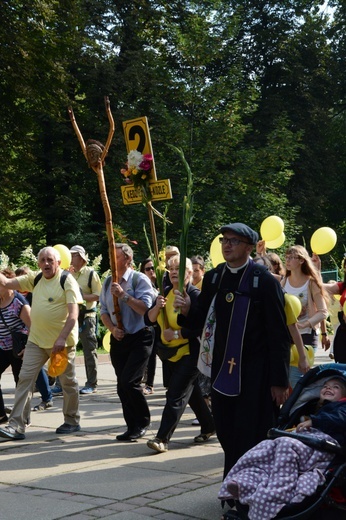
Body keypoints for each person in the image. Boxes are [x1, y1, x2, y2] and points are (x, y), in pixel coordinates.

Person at [174, 222, 291, 478]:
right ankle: (232, 487)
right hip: (222, 372)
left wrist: (279, 381)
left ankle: (254, 488)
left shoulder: (264, 282)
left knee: (253, 433)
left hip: (256, 373)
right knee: (227, 431)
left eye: (233, 241)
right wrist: (186, 310)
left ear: (249, 247)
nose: (226, 245)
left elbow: (278, 334)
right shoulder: (215, 277)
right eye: (223, 240)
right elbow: (200, 320)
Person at [218, 375, 346, 520]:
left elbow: (341, 419)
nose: (328, 388)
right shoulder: (318, 407)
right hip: (307, 444)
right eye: (325, 386)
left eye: (336, 387)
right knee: (266, 446)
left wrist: (314, 422)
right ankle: (244, 482)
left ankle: (278, 494)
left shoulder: (342, 407)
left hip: (325, 448)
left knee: (286, 444)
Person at [0, 246, 82, 440]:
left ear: (58, 262)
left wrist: (61, 338)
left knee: (67, 382)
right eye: (43, 260)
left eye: (50, 260)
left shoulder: (66, 280)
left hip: (62, 343)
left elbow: (73, 315)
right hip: (36, 341)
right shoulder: (35, 278)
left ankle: (71, 420)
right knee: (25, 380)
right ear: (38, 263)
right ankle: (16, 426)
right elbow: (6, 282)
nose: (46, 263)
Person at [145, 255, 215, 453]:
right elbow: (148, 320)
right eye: (171, 268)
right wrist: (157, 307)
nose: (174, 272)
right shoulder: (165, 292)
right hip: (169, 354)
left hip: (190, 353)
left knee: (175, 394)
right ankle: (210, 425)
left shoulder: (195, 295)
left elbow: (202, 327)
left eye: (179, 268)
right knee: (191, 393)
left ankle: (162, 438)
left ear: (190, 273)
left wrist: (177, 330)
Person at [99, 243, 156, 442]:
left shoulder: (139, 279)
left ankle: (143, 421)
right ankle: (131, 426)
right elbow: (104, 312)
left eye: (115, 256)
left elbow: (145, 309)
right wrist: (113, 329)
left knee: (129, 381)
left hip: (140, 336)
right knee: (121, 385)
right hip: (119, 339)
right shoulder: (107, 282)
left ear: (128, 259)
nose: (111, 260)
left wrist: (123, 296)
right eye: (110, 255)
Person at [14, 266, 54, 412]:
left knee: (36, 370)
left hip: (34, 336)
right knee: (24, 374)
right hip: (18, 339)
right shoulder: (16, 295)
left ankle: (47, 398)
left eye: (26, 276)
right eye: (21, 278)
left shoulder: (32, 295)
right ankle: (21, 408)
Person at [69, 245, 102, 395]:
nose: (70, 257)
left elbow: (98, 295)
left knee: (89, 351)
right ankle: (62, 383)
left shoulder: (90, 274)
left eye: (73, 255)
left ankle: (92, 384)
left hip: (87, 317)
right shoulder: (68, 273)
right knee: (65, 349)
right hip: (70, 316)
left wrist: (80, 298)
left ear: (81, 258)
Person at [0, 269, 30, 425]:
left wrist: (29, 348)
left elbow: (32, 325)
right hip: (2, 347)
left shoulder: (17, 302)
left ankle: (24, 418)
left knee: (20, 383)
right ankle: (1, 415)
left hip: (19, 348)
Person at [140, 258, 159, 396]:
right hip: (148, 324)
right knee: (150, 355)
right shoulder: (142, 285)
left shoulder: (162, 283)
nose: (151, 271)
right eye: (148, 269)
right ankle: (149, 384)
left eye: (153, 268)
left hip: (162, 324)